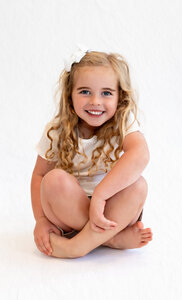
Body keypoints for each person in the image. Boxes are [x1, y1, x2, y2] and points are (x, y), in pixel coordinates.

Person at [31, 46, 153, 259]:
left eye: (106, 93)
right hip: (68, 210)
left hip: (110, 208)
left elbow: (140, 154)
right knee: (53, 180)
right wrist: (41, 220)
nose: (96, 101)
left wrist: (100, 196)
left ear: (119, 98)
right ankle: (112, 239)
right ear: (70, 96)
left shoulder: (123, 122)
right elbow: (39, 175)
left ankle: (75, 247)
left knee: (138, 185)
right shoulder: (57, 130)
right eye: (85, 91)